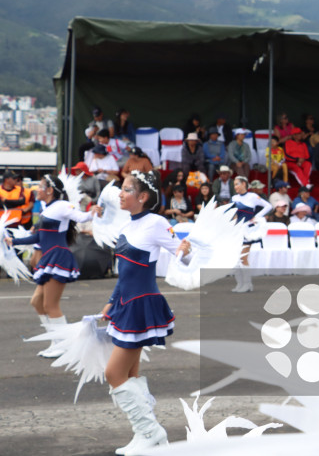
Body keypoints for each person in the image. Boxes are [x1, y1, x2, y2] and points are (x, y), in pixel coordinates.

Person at [100, 170, 190, 454]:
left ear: (142, 197)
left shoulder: (156, 223)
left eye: (126, 189)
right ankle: (146, 435)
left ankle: (151, 431)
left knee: (114, 373)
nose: (120, 194)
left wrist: (185, 249)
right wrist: (112, 301)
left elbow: (184, 254)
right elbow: (124, 274)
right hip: (126, 305)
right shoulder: (128, 225)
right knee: (130, 373)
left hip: (142, 305)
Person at [6, 174, 99, 358]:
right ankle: (55, 340)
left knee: (50, 305)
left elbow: (80, 216)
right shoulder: (46, 209)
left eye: (40, 186)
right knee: (37, 302)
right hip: (48, 258)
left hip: (59, 257)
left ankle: (64, 345)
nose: (36, 190)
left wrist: (92, 211)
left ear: (50, 190)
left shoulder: (62, 206)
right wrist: (13, 241)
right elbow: (38, 238)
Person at [230, 176, 273, 293]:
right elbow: (232, 214)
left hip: (247, 231)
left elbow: (268, 206)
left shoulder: (253, 197)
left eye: (237, 184)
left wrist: (257, 217)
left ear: (244, 184)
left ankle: (247, 284)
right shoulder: (234, 198)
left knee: (243, 257)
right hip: (236, 231)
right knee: (236, 259)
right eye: (234, 185)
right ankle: (240, 284)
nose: (235, 187)